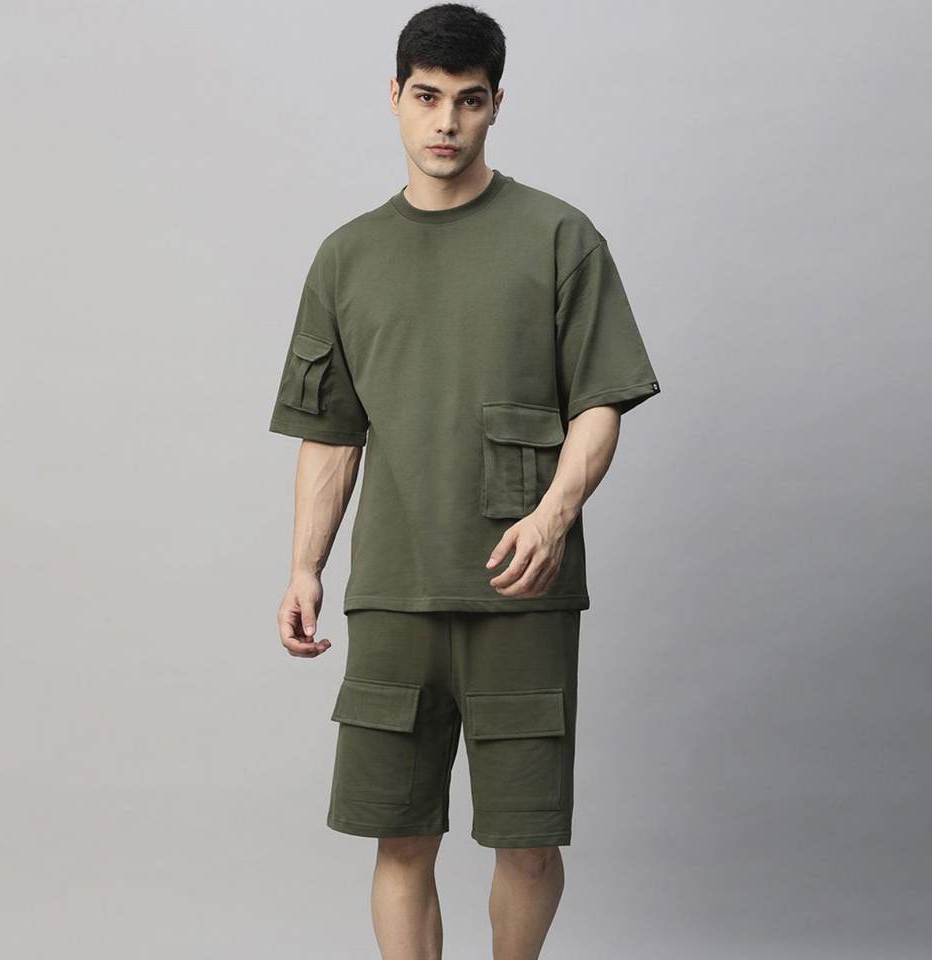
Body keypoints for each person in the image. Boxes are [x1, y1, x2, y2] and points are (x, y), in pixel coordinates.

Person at [268, 4, 661, 957]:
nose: (446, 121)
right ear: (394, 97)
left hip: (520, 592)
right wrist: (304, 566)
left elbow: (601, 402)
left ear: (496, 105)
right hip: (393, 593)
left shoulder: (559, 236)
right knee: (401, 837)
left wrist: (554, 515)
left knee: (526, 843)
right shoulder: (346, 256)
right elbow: (330, 435)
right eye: (427, 97)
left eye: (470, 101)